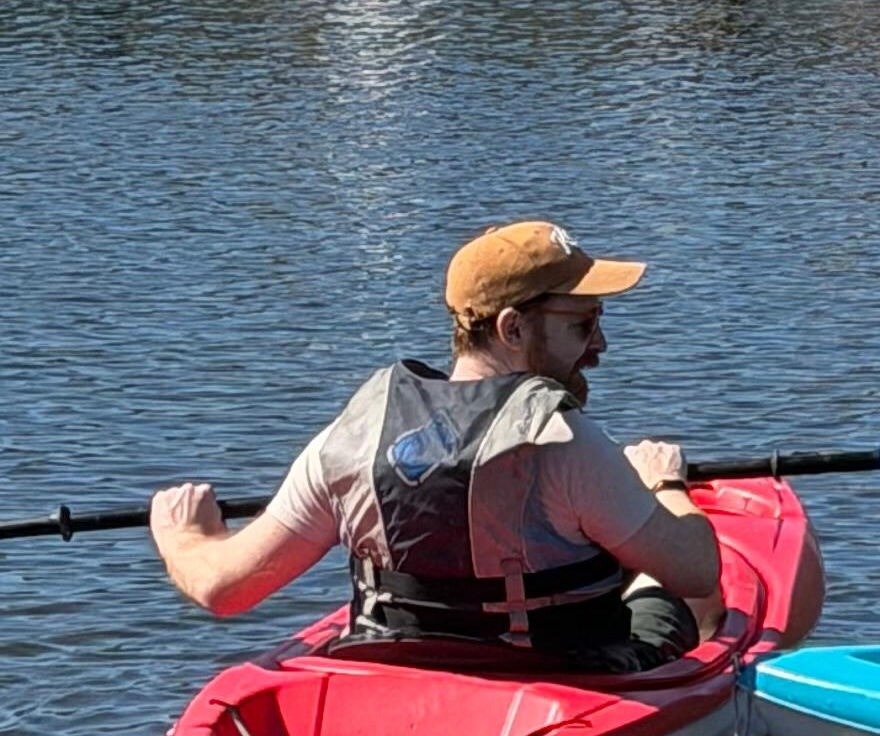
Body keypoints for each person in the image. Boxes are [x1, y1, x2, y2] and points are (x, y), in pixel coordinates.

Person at [147, 222, 727, 671]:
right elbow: (697, 569)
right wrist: (665, 484)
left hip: (403, 674)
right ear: (513, 329)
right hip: (565, 686)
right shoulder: (562, 440)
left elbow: (221, 588)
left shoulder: (350, 440)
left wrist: (184, 537)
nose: (599, 344)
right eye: (583, 323)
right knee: (681, 593)